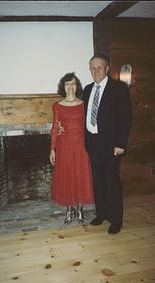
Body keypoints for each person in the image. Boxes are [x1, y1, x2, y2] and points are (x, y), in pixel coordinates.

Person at [83, 53, 132, 234]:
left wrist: (120, 144)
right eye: (92, 68)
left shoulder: (119, 88)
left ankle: (116, 219)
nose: (95, 71)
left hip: (112, 146)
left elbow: (125, 118)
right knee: (98, 181)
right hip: (93, 144)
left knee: (112, 182)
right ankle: (101, 213)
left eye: (99, 67)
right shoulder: (88, 89)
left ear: (107, 68)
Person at [49, 72, 94, 225]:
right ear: (63, 86)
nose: (70, 87)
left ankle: (80, 209)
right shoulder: (57, 106)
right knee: (67, 176)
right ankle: (69, 210)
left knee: (81, 176)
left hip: (82, 146)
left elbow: (90, 124)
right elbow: (55, 128)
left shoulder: (84, 104)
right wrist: (52, 149)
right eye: (67, 84)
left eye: (73, 83)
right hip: (64, 146)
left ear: (77, 86)